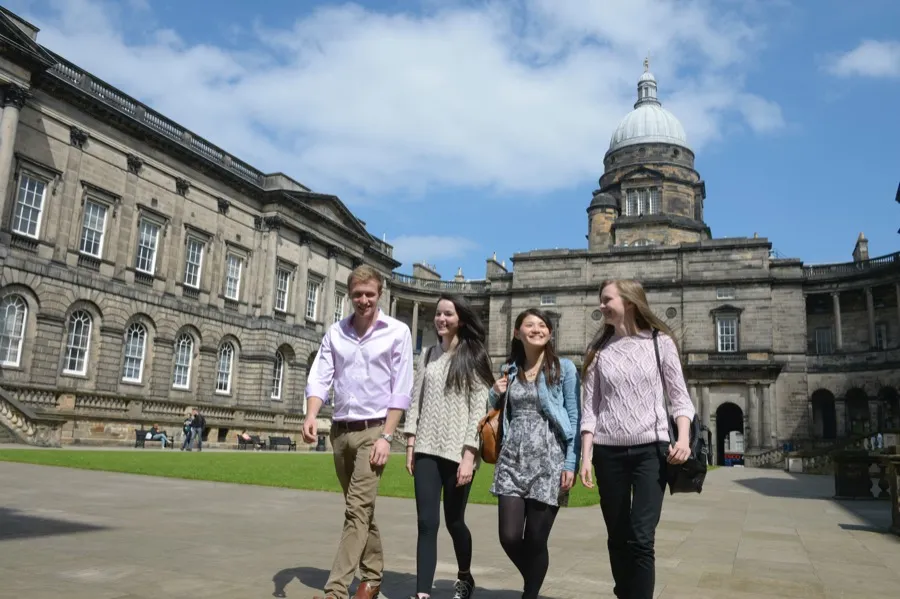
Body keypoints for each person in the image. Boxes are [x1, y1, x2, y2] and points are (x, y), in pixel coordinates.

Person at [303, 265, 414, 599]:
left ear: (380, 294)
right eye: (357, 294)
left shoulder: (397, 332)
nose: (363, 300)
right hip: (340, 430)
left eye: (370, 294)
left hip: (374, 430)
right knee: (360, 510)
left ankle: (336, 590)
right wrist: (311, 413)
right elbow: (320, 374)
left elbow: (401, 387)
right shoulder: (336, 332)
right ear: (349, 295)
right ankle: (373, 576)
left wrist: (386, 436)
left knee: (356, 510)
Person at [580, 279, 695, 599]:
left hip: (651, 451)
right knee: (618, 537)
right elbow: (590, 409)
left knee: (642, 538)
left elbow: (680, 399)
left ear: (629, 301)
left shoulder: (661, 342)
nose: (601, 306)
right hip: (607, 452)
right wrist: (586, 456)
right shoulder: (597, 351)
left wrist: (683, 439)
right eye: (600, 300)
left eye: (606, 299)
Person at [404, 294, 493, 599]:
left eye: (448, 314)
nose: (441, 319)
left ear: (462, 320)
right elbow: (416, 400)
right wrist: (411, 443)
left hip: (458, 454)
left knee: (455, 522)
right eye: (438, 314)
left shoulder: (475, 356)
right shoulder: (427, 355)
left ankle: (465, 576)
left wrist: (470, 456)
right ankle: (422, 592)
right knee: (426, 522)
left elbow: (479, 410)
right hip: (426, 449)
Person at [488, 308, 580, 599]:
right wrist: (494, 392)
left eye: (543, 325)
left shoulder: (564, 368)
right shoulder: (509, 370)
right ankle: (533, 583)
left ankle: (530, 594)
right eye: (529, 324)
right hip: (512, 459)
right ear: (517, 332)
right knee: (510, 537)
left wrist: (570, 462)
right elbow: (499, 413)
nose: (537, 329)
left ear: (550, 333)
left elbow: (574, 418)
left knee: (536, 539)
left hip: (549, 460)